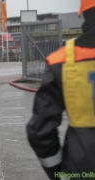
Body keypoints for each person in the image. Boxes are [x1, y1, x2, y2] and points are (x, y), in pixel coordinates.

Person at [26, 1, 95, 180]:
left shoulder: (63, 62)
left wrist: (59, 173)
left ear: (84, 13)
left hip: (83, 168)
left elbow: (39, 131)